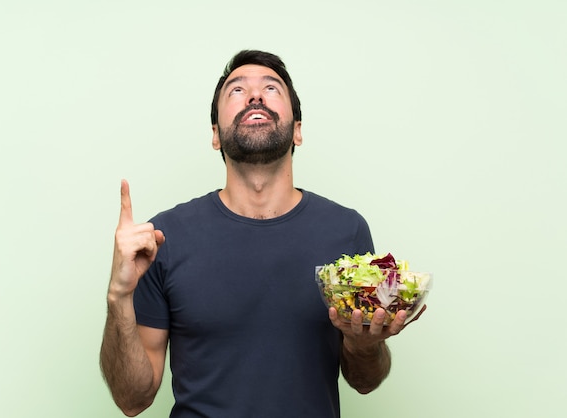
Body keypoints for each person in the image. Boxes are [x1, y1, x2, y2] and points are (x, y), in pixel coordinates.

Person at [99, 50, 425, 417]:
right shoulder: (163, 238)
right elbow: (132, 399)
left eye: (271, 88)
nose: (255, 96)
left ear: (298, 131)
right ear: (216, 136)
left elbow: (364, 381)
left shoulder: (346, 232)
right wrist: (119, 295)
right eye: (236, 91)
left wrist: (364, 344)